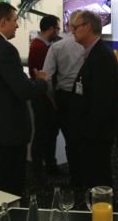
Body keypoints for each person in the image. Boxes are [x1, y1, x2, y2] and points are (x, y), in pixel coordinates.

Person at [0, 2, 48, 195]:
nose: (17, 25)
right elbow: (24, 90)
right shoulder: (6, 50)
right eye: (15, 20)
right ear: (3, 22)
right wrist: (42, 81)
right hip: (8, 133)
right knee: (11, 187)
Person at [67, 10, 118, 188]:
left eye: (75, 27)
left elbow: (102, 102)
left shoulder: (101, 57)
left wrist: (88, 134)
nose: (72, 31)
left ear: (88, 27)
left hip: (95, 134)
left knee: (98, 178)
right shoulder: (95, 53)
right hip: (91, 132)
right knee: (93, 175)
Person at [42, 10, 85, 181]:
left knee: (69, 139)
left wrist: (52, 98)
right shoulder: (89, 46)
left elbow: (46, 77)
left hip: (63, 97)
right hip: (83, 97)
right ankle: (87, 175)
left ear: (68, 25)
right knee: (83, 137)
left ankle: (75, 178)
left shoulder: (57, 46)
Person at [28, 14, 61, 174]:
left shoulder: (41, 45)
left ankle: (48, 165)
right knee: (43, 133)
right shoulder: (40, 48)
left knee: (49, 133)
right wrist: (53, 100)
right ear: (51, 29)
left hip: (44, 95)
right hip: (43, 97)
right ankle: (39, 169)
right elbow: (45, 76)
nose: (59, 32)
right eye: (57, 28)